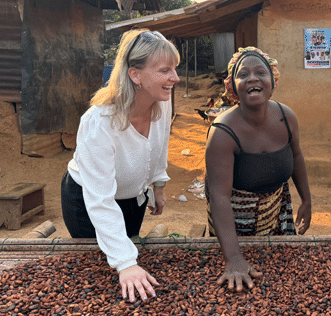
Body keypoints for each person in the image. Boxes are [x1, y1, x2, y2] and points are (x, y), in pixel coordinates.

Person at [61, 29, 180, 303]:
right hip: (87, 204)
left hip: (132, 199)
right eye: (165, 70)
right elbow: (100, 200)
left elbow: (160, 146)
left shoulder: (161, 102)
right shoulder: (99, 122)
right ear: (135, 75)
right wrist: (126, 263)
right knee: (100, 277)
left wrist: (158, 184)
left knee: (129, 252)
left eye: (175, 68)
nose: (174, 78)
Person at [205, 47, 312, 292]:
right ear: (233, 86)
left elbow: (296, 155)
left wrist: (306, 199)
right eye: (244, 74)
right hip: (232, 223)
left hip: (276, 212)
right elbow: (219, 195)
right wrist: (233, 258)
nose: (253, 78)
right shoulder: (222, 133)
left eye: (260, 72)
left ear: (272, 80)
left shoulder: (287, 117)